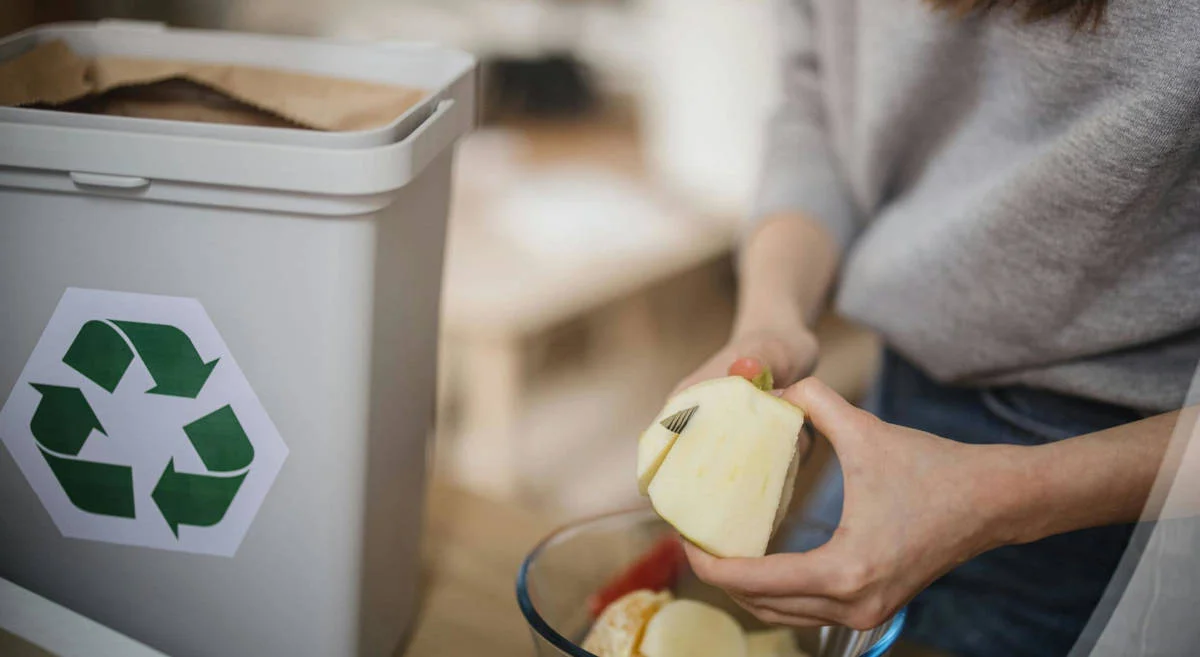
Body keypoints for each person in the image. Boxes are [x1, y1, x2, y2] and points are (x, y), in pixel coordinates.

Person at [670, 1, 1200, 656]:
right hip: (892, 412)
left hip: (1127, 492)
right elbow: (818, 106)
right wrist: (771, 316)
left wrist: (1003, 496)